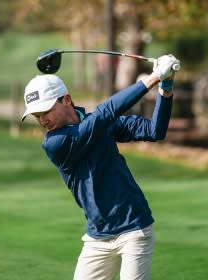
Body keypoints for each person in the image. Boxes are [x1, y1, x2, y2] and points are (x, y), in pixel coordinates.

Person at [21, 54, 181, 280]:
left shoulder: (100, 123)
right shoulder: (54, 143)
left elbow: (155, 130)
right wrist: (154, 76)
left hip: (134, 228)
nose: (42, 120)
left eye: (45, 111)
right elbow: (105, 114)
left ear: (66, 100)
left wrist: (166, 84)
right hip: (97, 237)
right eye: (36, 115)